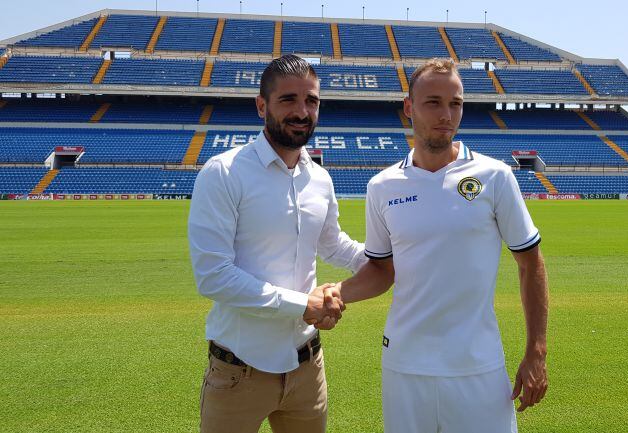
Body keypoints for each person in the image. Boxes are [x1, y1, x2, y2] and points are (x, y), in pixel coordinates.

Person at [335, 59, 550, 433]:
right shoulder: (383, 186)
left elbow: (530, 263)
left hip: (477, 365)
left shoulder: (494, 176)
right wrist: (336, 293)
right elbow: (381, 270)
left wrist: (536, 350)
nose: (446, 114)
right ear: (409, 108)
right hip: (405, 365)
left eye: (455, 103)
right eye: (433, 102)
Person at [188, 54, 362, 433]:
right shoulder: (224, 172)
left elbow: (333, 245)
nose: (302, 111)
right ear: (261, 105)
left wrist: (389, 258)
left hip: (307, 369)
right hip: (238, 372)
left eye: (311, 101)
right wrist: (306, 304)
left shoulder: (320, 178)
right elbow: (212, 276)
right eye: (289, 100)